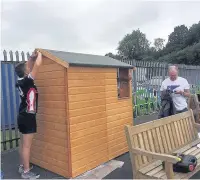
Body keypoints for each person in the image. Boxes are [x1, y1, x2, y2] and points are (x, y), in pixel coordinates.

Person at [15, 50, 42, 179]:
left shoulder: (20, 80)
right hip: (28, 117)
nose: (29, 67)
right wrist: (40, 53)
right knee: (26, 146)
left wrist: (31, 57)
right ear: (26, 72)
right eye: (27, 68)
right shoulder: (27, 81)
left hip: (22, 115)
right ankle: (26, 172)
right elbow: (37, 65)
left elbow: (29, 65)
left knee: (22, 144)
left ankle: (22, 166)